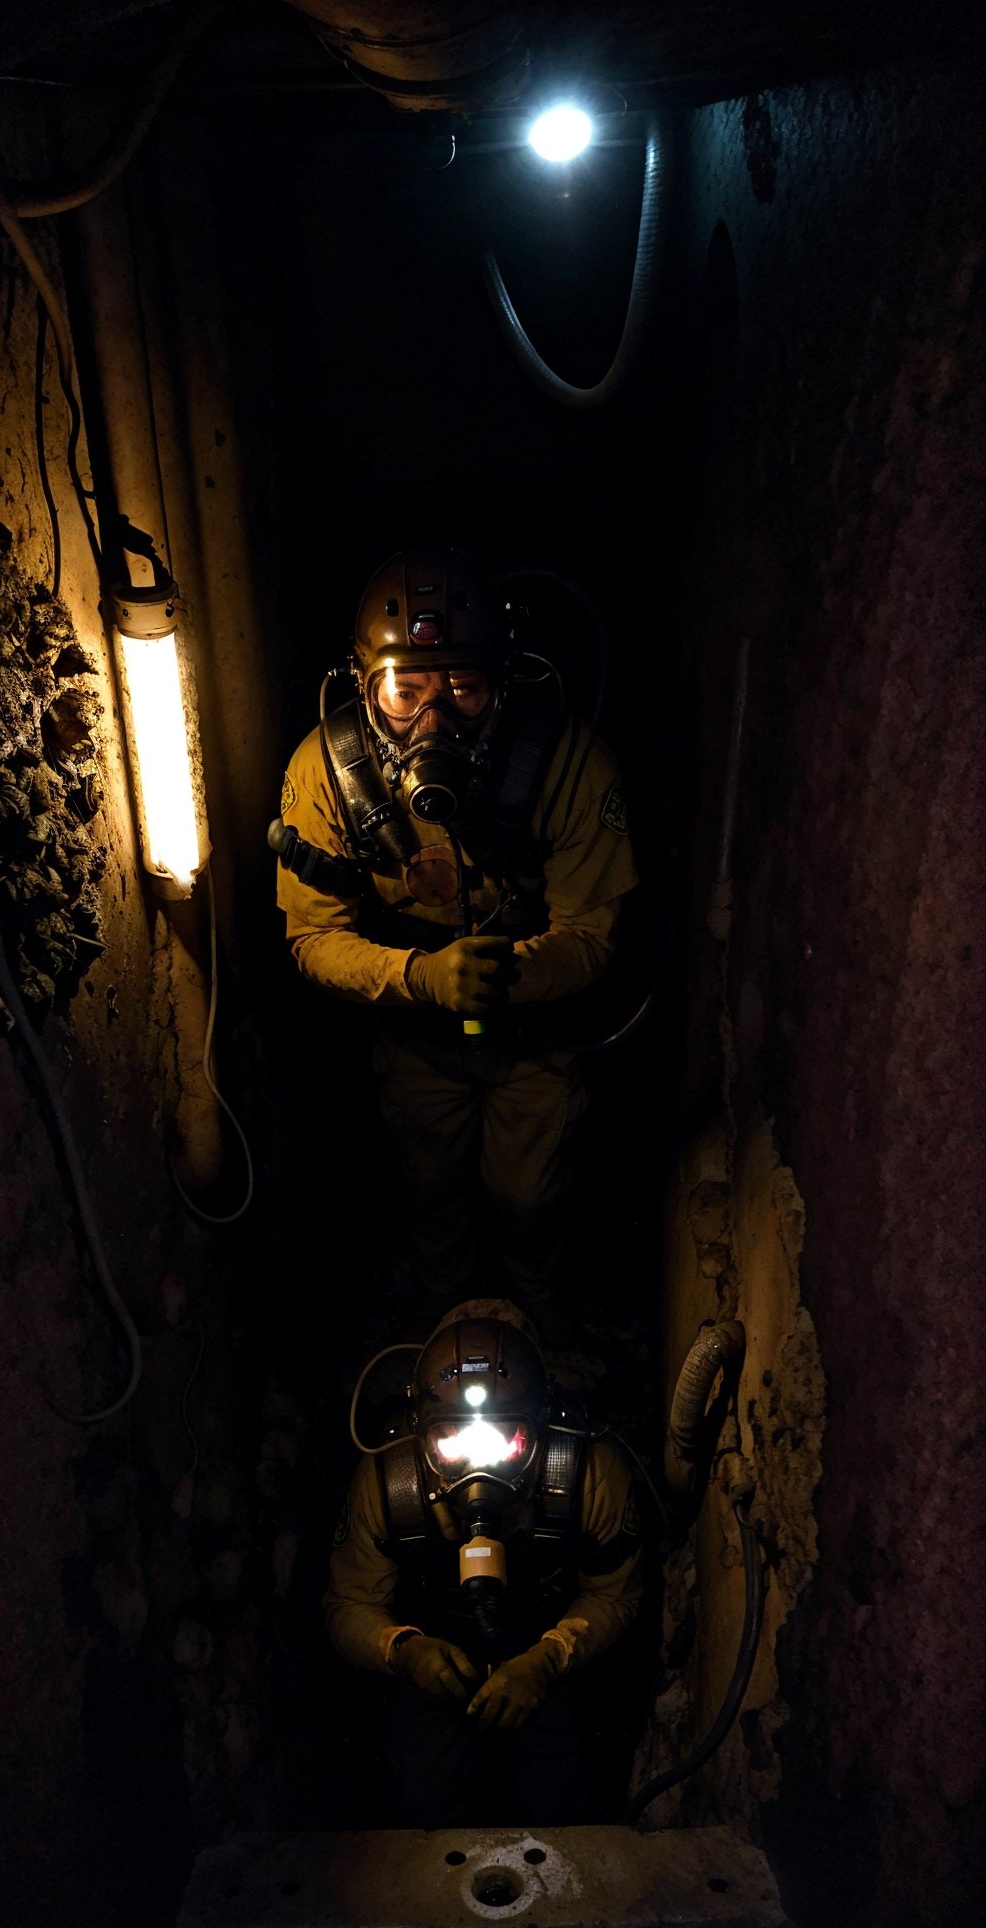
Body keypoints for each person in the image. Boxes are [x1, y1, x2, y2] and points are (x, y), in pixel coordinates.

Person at [272, 543, 639, 1345]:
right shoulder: (326, 774)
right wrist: (419, 978)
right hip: (418, 1039)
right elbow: (312, 935)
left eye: (464, 690)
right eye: (405, 692)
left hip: (536, 1039)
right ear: (366, 689)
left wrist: (507, 975)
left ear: (502, 686)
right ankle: (441, 1313)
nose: (432, 722)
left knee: (531, 1190)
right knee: (430, 1180)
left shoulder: (569, 764)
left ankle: (539, 1308)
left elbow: (592, 933)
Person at [323, 1298, 645, 1828]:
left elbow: (618, 1592)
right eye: (450, 1438)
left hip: (543, 1647)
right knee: (425, 1805)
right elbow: (348, 1603)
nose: (479, 1466)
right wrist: (404, 1650)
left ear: (540, 1425)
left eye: (506, 1438)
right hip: (436, 1655)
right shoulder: (389, 1481)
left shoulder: (587, 1472)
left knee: (558, 1806)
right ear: (418, 1425)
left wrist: (551, 1658)